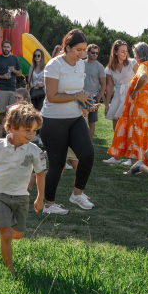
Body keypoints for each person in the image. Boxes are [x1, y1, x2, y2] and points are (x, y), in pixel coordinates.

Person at [0, 103, 46, 275]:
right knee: (6, 234)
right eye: (27, 130)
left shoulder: (34, 151)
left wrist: (40, 197)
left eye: (34, 130)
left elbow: (40, 173)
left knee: (17, 234)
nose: (31, 134)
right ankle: (10, 268)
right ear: (12, 128)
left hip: (21, 196)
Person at [40, 29, 97, 214]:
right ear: (67, 47)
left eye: (84, 50)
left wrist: (85, 103)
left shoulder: (80, 65)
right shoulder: (53, 65)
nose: (81, 54)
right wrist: (76, 96)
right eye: (78, 50)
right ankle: (49, 205)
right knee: (57, 165)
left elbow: (77, 93)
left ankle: (77, 194)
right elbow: (52, 96)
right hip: (53, 120)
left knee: (87, 155)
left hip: (75, 117)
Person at [107, 42, 148, 166]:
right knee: (147, 131)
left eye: (135, 54)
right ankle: (145, 161)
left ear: (139, 54)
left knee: (135, 131)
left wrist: (134, 91)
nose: (134, 56)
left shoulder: (143, 65)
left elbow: (144, 78)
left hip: (141, 104)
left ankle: (135, 162)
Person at [0, 39, 22, 127]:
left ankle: (10, 130)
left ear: (10, 48)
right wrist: (1, 77)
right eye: (4, 47)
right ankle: (1, 131)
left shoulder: (14, 59)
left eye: (8, 47)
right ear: (2, 48)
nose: (6, 49)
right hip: (1, 88)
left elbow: (20, 73)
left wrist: (13, 70)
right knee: (2, 112)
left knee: (12, 112)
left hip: (12, 88)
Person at [83, 44, 106, 139]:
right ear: (87, 52)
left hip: (93, 97)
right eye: (93, 52)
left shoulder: (100, 67)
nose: (95, 55)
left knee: (91, 123)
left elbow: (104, 85)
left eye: (96, 53)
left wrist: (98, 99)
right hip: (81, 96)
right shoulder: (80, 64)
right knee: (79, 121)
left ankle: (89, 144)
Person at [27, 49, 46, 115]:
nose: (36, 57)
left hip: (43, 92)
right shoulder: (31, 68)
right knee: (33, 112)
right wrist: (32, 86)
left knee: (41, 112)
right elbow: (29, 81)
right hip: (33, 92)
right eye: (35, 56)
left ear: (42, 57)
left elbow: (49, 82)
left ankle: (41, 125)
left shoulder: (46, 67)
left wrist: (40, 85)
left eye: (38, 56)